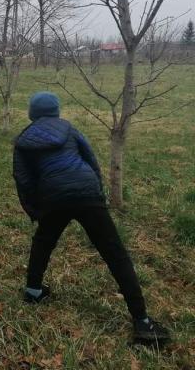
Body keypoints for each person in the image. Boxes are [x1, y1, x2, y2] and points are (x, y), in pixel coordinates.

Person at [12, 91, 170, 344]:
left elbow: (23, 179)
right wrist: (97, 193)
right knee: (115, 253)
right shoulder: (70, 130)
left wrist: (36, 211)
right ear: (56, 110)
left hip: (53, 197)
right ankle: (142, 321)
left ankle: (33, 291)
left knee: (43, 242)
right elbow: (91, 160)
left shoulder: (22, 140)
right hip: (87, 193)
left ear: (32, 113)